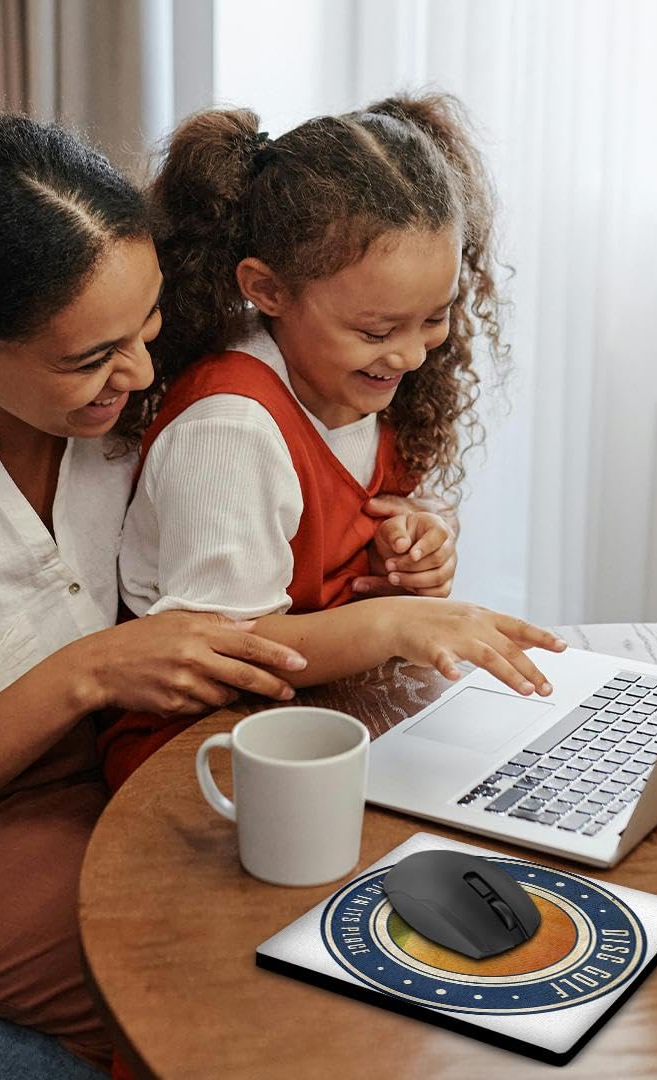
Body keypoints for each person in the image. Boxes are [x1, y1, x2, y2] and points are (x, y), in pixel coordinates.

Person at [0, 114, 308, 1070]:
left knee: (329, 920)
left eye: (148, 325)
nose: (141, 372)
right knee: (219, 995)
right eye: (90, 359)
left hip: (119, 761)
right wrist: (87, 673)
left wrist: (408, 525)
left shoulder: (123, 388)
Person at [100, 93, 567, 794]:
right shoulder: (229, 430)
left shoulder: (354, 378)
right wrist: (395, 624)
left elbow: (354, 521)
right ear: (267, 289)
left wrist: (419, 542)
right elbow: (227, 649)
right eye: (378, 331)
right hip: (199, 749)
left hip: (326, 713)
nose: (411, 355)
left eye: (434, 318)